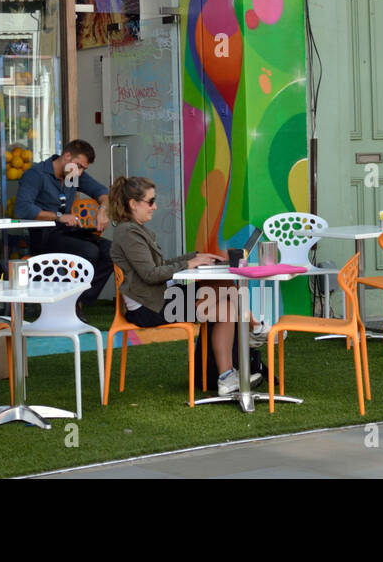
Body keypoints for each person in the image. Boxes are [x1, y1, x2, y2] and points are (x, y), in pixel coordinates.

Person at [108, 175, 263, 397]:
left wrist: (196, 256)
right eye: (150, 202)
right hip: (149, 308)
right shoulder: (129, 233)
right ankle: (254, 327)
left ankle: (227, 377)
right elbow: (151, 274)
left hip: (158, 299)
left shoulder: (135, 230)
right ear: (133, 204)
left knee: (227, 307)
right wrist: (190, 263)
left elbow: (159, 266)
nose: (155, 206)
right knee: (221, 287)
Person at [14, 139, 112, 307]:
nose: (80, 173)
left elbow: (102, 192)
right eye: (78, 166)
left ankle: (78, 301)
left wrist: (103, 209)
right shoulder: (37, 175)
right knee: (89, 251)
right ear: (67, 156)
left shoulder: (71, 175)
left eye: (83, 169)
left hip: (68, 233)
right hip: (43, 236)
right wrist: (58, 216)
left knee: (112, 250)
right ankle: (70, 303)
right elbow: (22, 208)